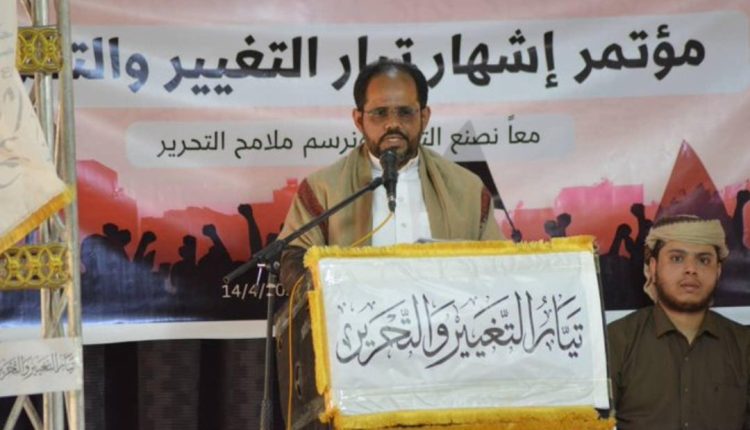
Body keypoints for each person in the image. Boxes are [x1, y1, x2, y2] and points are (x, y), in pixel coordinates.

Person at [279, 59, 502, 288]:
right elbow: (292, 259)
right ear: (359, 120)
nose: (393, 124)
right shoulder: (323, 189)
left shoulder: (467, 189)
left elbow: (500, 265)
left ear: (424, 117)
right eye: (380, 113)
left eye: (405, 112)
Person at [607, 214, 750, 430]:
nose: (691, 269)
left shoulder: (744, 344)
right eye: (677, 258)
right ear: (653, 267)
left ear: (718, 271)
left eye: (704, 260)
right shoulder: (616, 341)